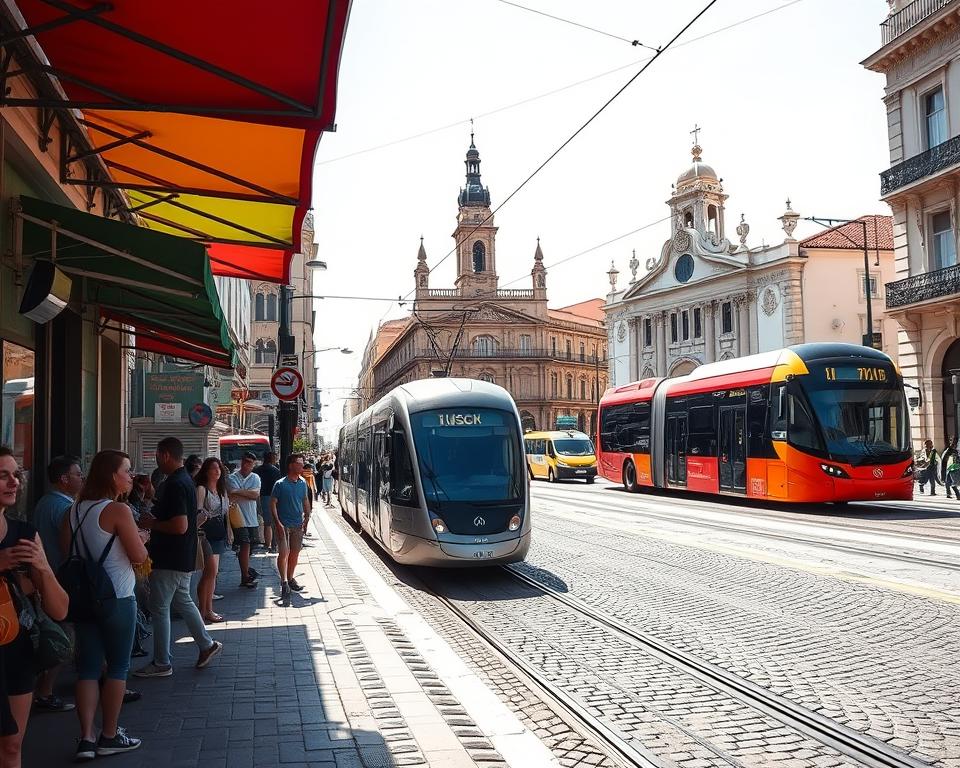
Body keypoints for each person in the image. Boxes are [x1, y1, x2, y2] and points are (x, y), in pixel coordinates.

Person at [60, 450, 148, 761]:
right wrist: (141, 538)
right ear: (112, 475)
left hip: (83, 599)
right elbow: (138, 556)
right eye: (127, 470)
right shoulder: (117, 511)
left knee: (87, 668)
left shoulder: (73, 511)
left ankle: (86, 737)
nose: (131, 475)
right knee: (119, 667)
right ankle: (110, 734)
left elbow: (67, 552)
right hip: (118, 598)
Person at [0, 446, 69, 767]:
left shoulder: (24, 534)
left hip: (17, 650)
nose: (13, 482)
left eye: (16, 474)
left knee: (13, 745)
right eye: (3, 476)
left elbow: (59, 611)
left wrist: (42, 568)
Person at [134, 438, 223, 678]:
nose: (155, 460)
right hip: (182, 554)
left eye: (156, 456)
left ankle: (162, 661)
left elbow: (180, 525)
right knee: (183, 599)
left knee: (159, 607)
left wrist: (152, 523)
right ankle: (206, 645)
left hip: (170, 556)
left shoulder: (175, 483)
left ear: (164, 455)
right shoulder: (185, 480)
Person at [31, 455, 83, 713]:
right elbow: (71, 546)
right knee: (64, 637)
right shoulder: (64, 508)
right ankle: (44, 690)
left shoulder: (44, 502)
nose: (81, 478)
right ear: (64, 479)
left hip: (47, 578)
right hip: (60, 580)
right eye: (77, 474)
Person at [271, 454, 310, 605]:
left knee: (295, 552)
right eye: (299, 464)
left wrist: (307, 516)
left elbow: (305, 499)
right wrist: (277, 522)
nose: (302, 466)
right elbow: (273, 503)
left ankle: (290, 577)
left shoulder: (302, 483)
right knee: (284, 552)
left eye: (302, 463)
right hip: (283, 524)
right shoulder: (280, 484)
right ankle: (284, 582)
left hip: (297, 524)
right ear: (291, 466)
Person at [195, 459, 229, 624]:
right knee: (210, 573)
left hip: (219, 533)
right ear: (206, 471)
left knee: (212, 574)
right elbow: (198, 511)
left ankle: (208, 609)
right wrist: (204, 515)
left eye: (219, 468)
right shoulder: (202, 489)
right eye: (213, 468)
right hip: (206, 534)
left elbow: (225, 514)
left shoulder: (221, 490)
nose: (217, 471)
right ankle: (203, 610)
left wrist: (229, 532)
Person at [227, 453, 261, 589]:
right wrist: (246, 492)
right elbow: (231, 491)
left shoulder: (255, 477)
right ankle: (245, 576)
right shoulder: (232, 477)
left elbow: (255, 495)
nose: (247, 465)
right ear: (242, 462)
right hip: (237, 517)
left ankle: (246, 571)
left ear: (253, 464)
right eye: (245, 461)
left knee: (249, 547)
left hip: (251, 518)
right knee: (245, 545)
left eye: (250, 462)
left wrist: (238, 491)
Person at [253, 453, 281, 554]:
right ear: (273, 459)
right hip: (273, 497)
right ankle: (273, 545)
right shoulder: (276, 470)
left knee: (266, 523)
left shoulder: (257, 470)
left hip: (259, 497)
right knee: (273, 523)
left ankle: (266, 544)